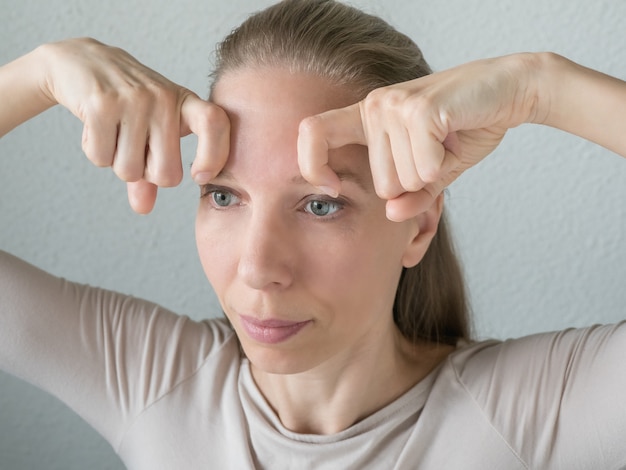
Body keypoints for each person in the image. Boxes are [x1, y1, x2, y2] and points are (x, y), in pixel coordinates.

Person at [1, 0, 625, 468]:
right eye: (224, 195)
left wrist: (541, 86)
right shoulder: (150, 379)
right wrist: (40, 72)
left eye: (320, 205)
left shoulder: (536, 413)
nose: (258, 267)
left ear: (418, 227)